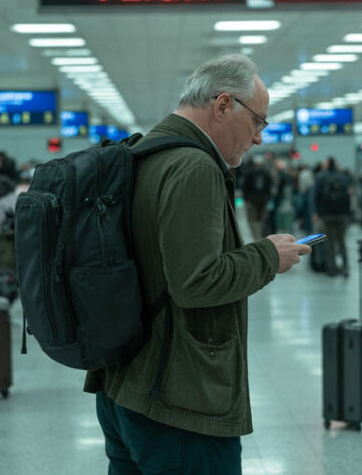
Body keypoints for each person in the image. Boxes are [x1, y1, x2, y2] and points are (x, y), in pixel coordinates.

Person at [83, 54, 310, 473]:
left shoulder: (143, 153)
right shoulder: (194, 166)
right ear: (223, 105)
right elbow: (195, 282)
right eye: (258, 121)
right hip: (179, 400)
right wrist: (267, 256)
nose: (259, 137)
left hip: (124, 383)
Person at [313, 157, 353, 276]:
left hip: (327, 215)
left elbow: (316, 196)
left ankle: (332, 268)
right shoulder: (343, 177)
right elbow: (349, 194)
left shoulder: (321, 177)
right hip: (342, 215)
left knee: (329, 242)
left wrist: (317, 212)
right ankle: (345, 267)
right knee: (341, 241)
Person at [241, 155, 273, 239]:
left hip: (259, 200)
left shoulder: (262, 174)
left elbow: (268, 187)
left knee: (259, 219)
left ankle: (258, 236)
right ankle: (258, 236)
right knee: (256, 219)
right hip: (255, 200)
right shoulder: (252, 174)